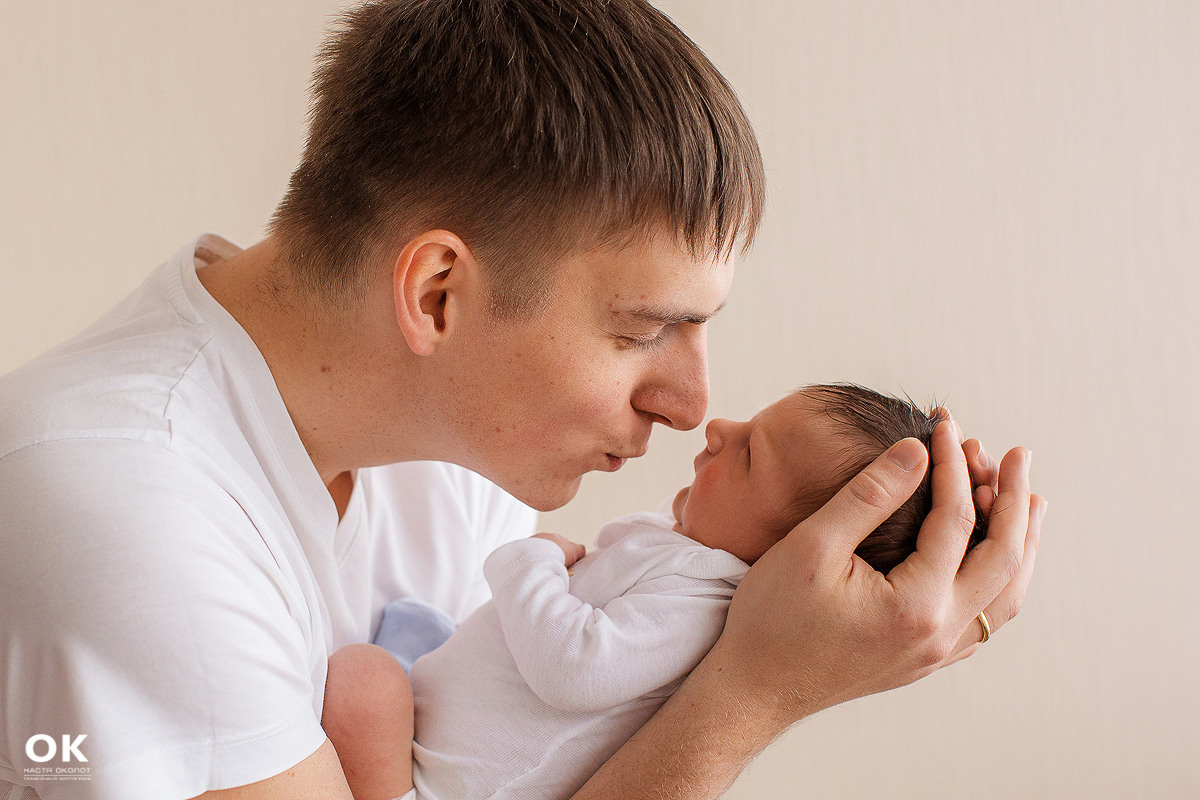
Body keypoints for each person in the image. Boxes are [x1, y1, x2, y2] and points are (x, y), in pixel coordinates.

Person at [0, 2, 1043, 799]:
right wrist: (753, 694)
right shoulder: (127, 511)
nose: (693, 405)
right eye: (642, 331)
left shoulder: (453, 451)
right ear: (438, 295)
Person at [319, 384, 992, 800]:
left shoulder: (702, 603)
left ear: (793, 556)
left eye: (749, 455)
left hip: (447, 784)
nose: (718, 428)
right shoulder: (689, 550)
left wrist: (530, 562)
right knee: (408, 629)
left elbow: (574, 667)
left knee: (363, 683)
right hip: (452, 714)